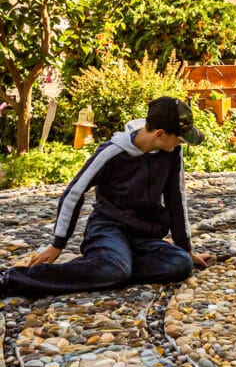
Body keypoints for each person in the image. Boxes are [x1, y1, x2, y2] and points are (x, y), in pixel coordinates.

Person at [0, 97, 210, 300]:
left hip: (144, 236)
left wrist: (185, 247)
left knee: (180, 263)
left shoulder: (172, 152)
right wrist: (58, 244)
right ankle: (11, 279)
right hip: (108, 228)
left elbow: (176, 198)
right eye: (179, 138)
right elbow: (74, 193)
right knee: (115, 269)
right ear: (160, 134)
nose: (181, 142)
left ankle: (107, 266)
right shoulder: (111, 153)